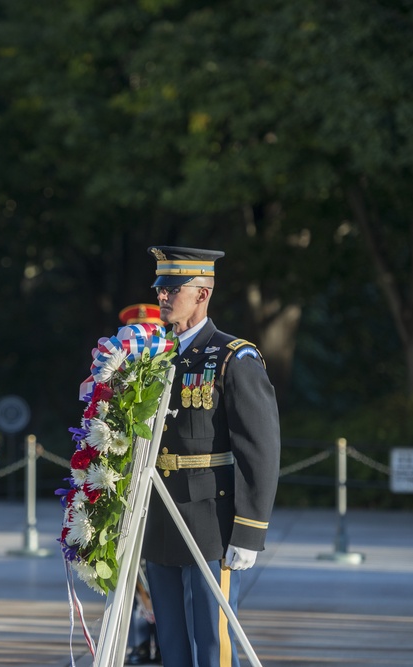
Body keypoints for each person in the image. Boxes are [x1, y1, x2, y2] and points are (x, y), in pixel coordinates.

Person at [141, 247, 280, 667]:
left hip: (210, 521)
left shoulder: (233, 357)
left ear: (202, 294)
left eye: (172, 290)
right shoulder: (151, 356)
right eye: (160, 289)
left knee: (211, 642)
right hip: (160, 517)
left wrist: (249, 530)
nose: (162, 297)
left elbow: (260, 449)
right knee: (172, 642)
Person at [118, 304, 164, 665]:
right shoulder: (111, 379)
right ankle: (137, 641)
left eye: (150, 334)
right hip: (127, 490)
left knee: (159, 572)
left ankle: (162, 640)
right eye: (136, 336)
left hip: (166, 492)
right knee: (131, 573)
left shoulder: (172, 373)